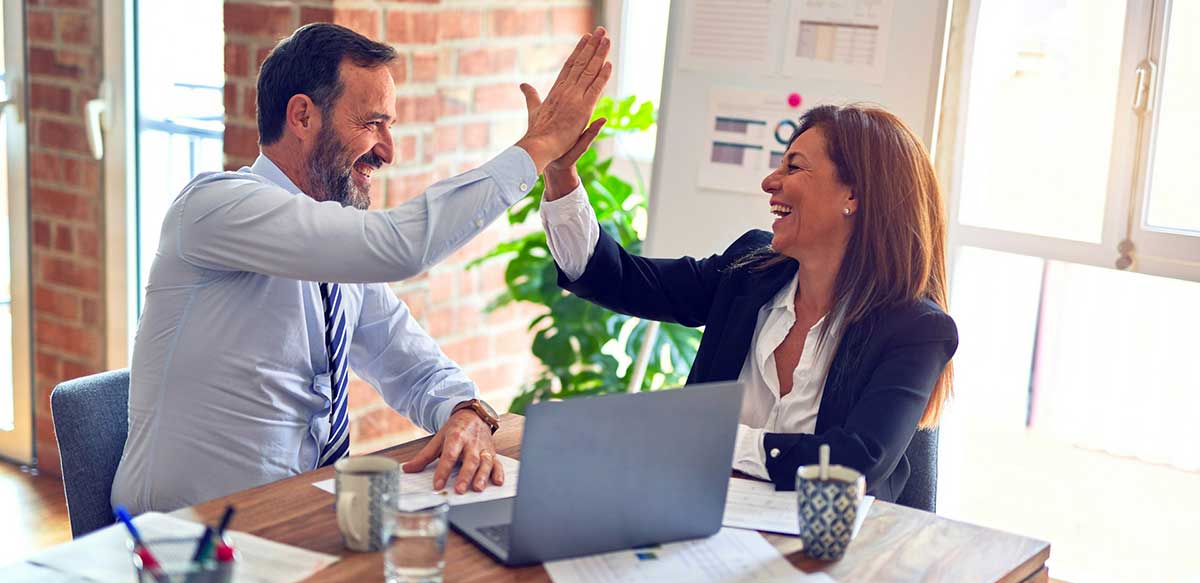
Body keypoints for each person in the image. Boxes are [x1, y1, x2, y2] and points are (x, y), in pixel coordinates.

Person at [111, 23, 612, 513]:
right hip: (183, 544)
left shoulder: (336, 254)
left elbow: (412, 364)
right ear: (303, 117)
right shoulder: (215, 207)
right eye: (373, 123)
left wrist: (466, 411)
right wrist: (539, 146)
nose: (387, 151)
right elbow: (400, 246)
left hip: (298, 522)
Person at [539, 104, 957, 502]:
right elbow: (621, 280)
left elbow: (853, 464)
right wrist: (560, 173)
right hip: (701, 521)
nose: (770, 182)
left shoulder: (916, 329)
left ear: (854, 196)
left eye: (793, 166)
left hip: (833, 554)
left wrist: (711, 438)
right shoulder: (750, 271)